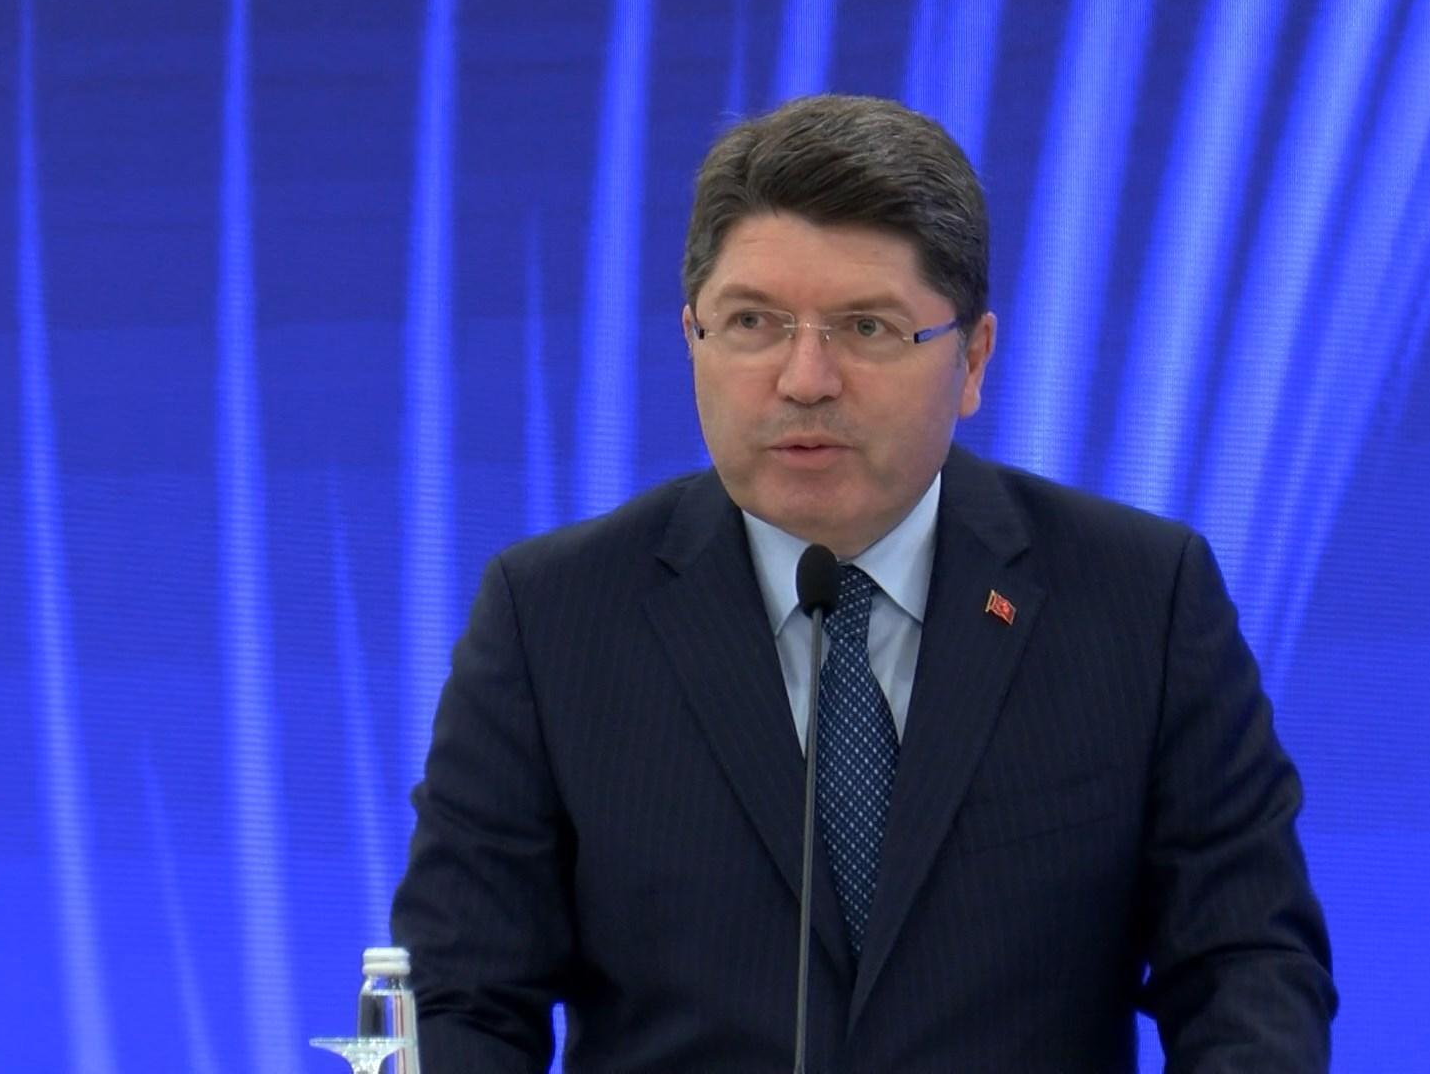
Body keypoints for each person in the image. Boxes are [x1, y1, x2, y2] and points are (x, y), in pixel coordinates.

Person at [391, 93, 1336, 1073]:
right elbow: (463, 999)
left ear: (973, 359)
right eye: (752, 322)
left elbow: (1246, 965)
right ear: (692, 341)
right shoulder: (554, 618)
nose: (805, 379)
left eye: (868, 327)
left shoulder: (1140, 599)